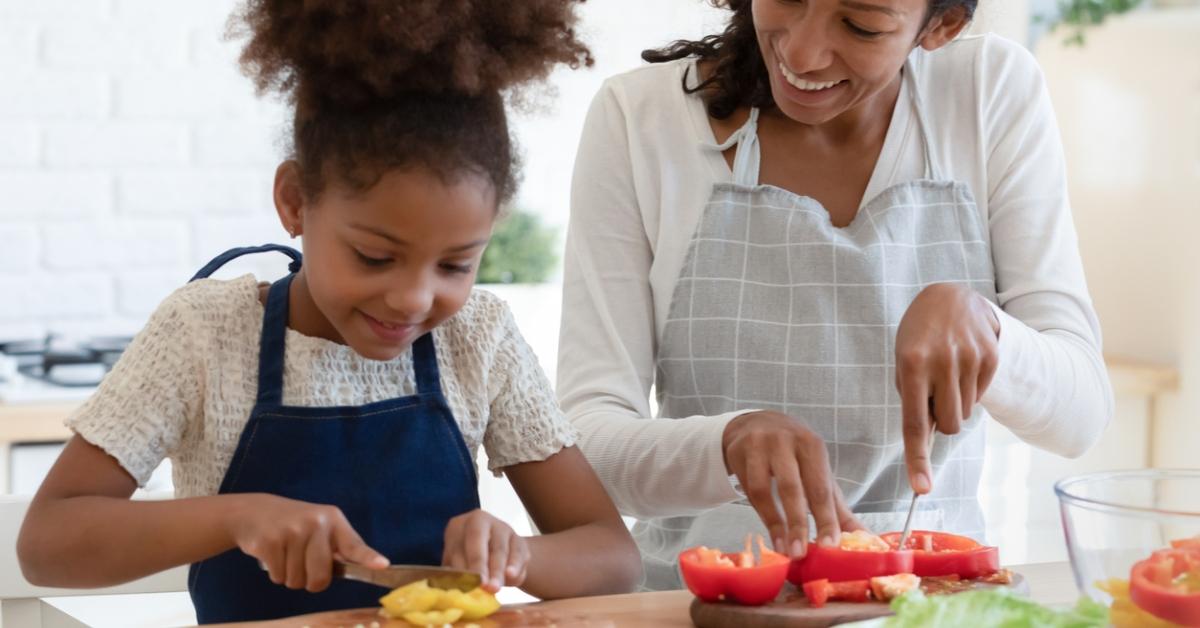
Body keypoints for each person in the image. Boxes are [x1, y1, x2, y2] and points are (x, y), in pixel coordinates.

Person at [17, 0, 641, 622]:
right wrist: (239, 517)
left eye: (454, 264)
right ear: (295, 202)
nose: (414, 298)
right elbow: (48, 546)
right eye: (374, 256)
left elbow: (614, 557)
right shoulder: (204, 334)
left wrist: (519, 557)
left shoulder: (478, 338)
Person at [558, 0, 1114, 590]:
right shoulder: (639, 117)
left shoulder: (988, 90)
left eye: (861, 25)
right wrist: (724, 444)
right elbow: (584, 442)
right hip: (701, 601)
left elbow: (1080, 418)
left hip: (936, 599)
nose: (801, 53)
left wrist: (990, 331)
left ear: (941, 26)